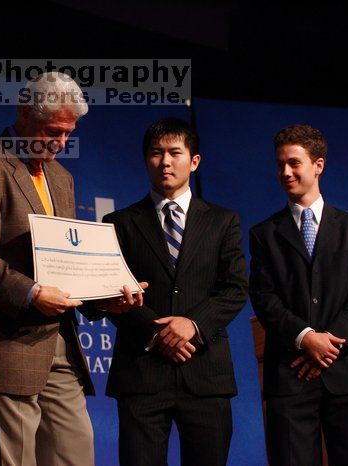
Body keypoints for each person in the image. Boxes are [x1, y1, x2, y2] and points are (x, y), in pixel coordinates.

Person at [0, 72, 143, 466]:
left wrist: (105, 298)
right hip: (11, 342)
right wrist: (29, 292)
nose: (61, 143)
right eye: (53, 131)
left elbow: (69, 261)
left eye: (68, 133)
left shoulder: (62, 178)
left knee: (76, 454)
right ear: (25, 115)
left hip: (62, 344)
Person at [102, 118, 248, 466]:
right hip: (142, 373)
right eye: (156, 153)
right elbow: (107, 292)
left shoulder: (222, 221)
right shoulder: (118, 223)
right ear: (146, 160)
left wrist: (191, 324)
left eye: (174, 153)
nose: (165, 161)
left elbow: (235, 288)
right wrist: (160, 332)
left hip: (205, 372)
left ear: (194, 161)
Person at [249, 124, 348, 466]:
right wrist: (306, 339)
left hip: (345, 375)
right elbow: (264, 298)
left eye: (294, 163)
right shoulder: (264, 235)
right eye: (279, 165)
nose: (285, 172)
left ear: (318, 165)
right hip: (290, 377)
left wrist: (327, 344)